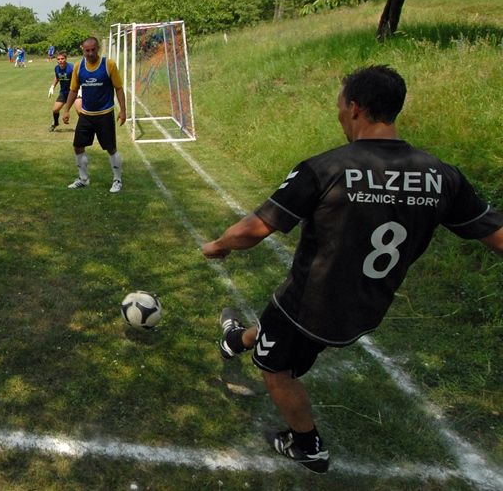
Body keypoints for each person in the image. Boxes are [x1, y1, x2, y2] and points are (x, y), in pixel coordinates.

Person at [202, 65, 503, 475]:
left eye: (341, 106)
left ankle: (306, 445)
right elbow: (497, 235)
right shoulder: (441, 175)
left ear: (356, 108)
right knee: (276, 327)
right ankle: (237, 340)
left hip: (310, 305)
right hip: (367, 307)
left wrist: (218, 245)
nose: (339, 114)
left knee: (275, 369)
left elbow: (254, 229)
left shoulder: (326, 169)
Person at [61, 37, 126, 193]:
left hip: (105, 114)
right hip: (86, 115)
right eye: (86, 50)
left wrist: (123, 110)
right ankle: (83, 179)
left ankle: (117, 180)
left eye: (92, 50)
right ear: (83, 50)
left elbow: (118, 88)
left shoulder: (108, 64)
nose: (90, 53)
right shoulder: (78, 66)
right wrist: (66, 109)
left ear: (97, 49)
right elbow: (73, 90)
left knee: (111, 148)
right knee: (77, 146)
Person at [48, 51, 74, 132]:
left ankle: (86, 127)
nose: (60, 60)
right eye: (58, 59)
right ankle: (55, 123)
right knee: (55, 110)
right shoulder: (56, 68)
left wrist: (80, 90)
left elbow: (78, 79)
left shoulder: (72, 68)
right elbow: (57, 77)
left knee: (80, 111)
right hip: (64, 92)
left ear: (66, 59)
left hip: (74, 92)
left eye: (62, 59)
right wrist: (52, 87)